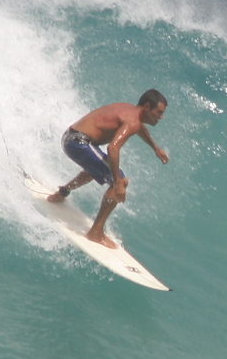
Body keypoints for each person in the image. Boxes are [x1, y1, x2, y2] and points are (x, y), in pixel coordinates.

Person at [49, 89, 169, 248]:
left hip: (70, 137)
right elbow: (113, 148)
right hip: (79, 144)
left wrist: (155, 147)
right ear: (147, 106)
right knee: (120, 180)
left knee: (97, 169)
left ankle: (61, 193)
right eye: (159, 112)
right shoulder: (133, 121)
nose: (161, 117)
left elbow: (139, 127)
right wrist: (118, 182)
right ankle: (95, 233)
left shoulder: (129, 111)